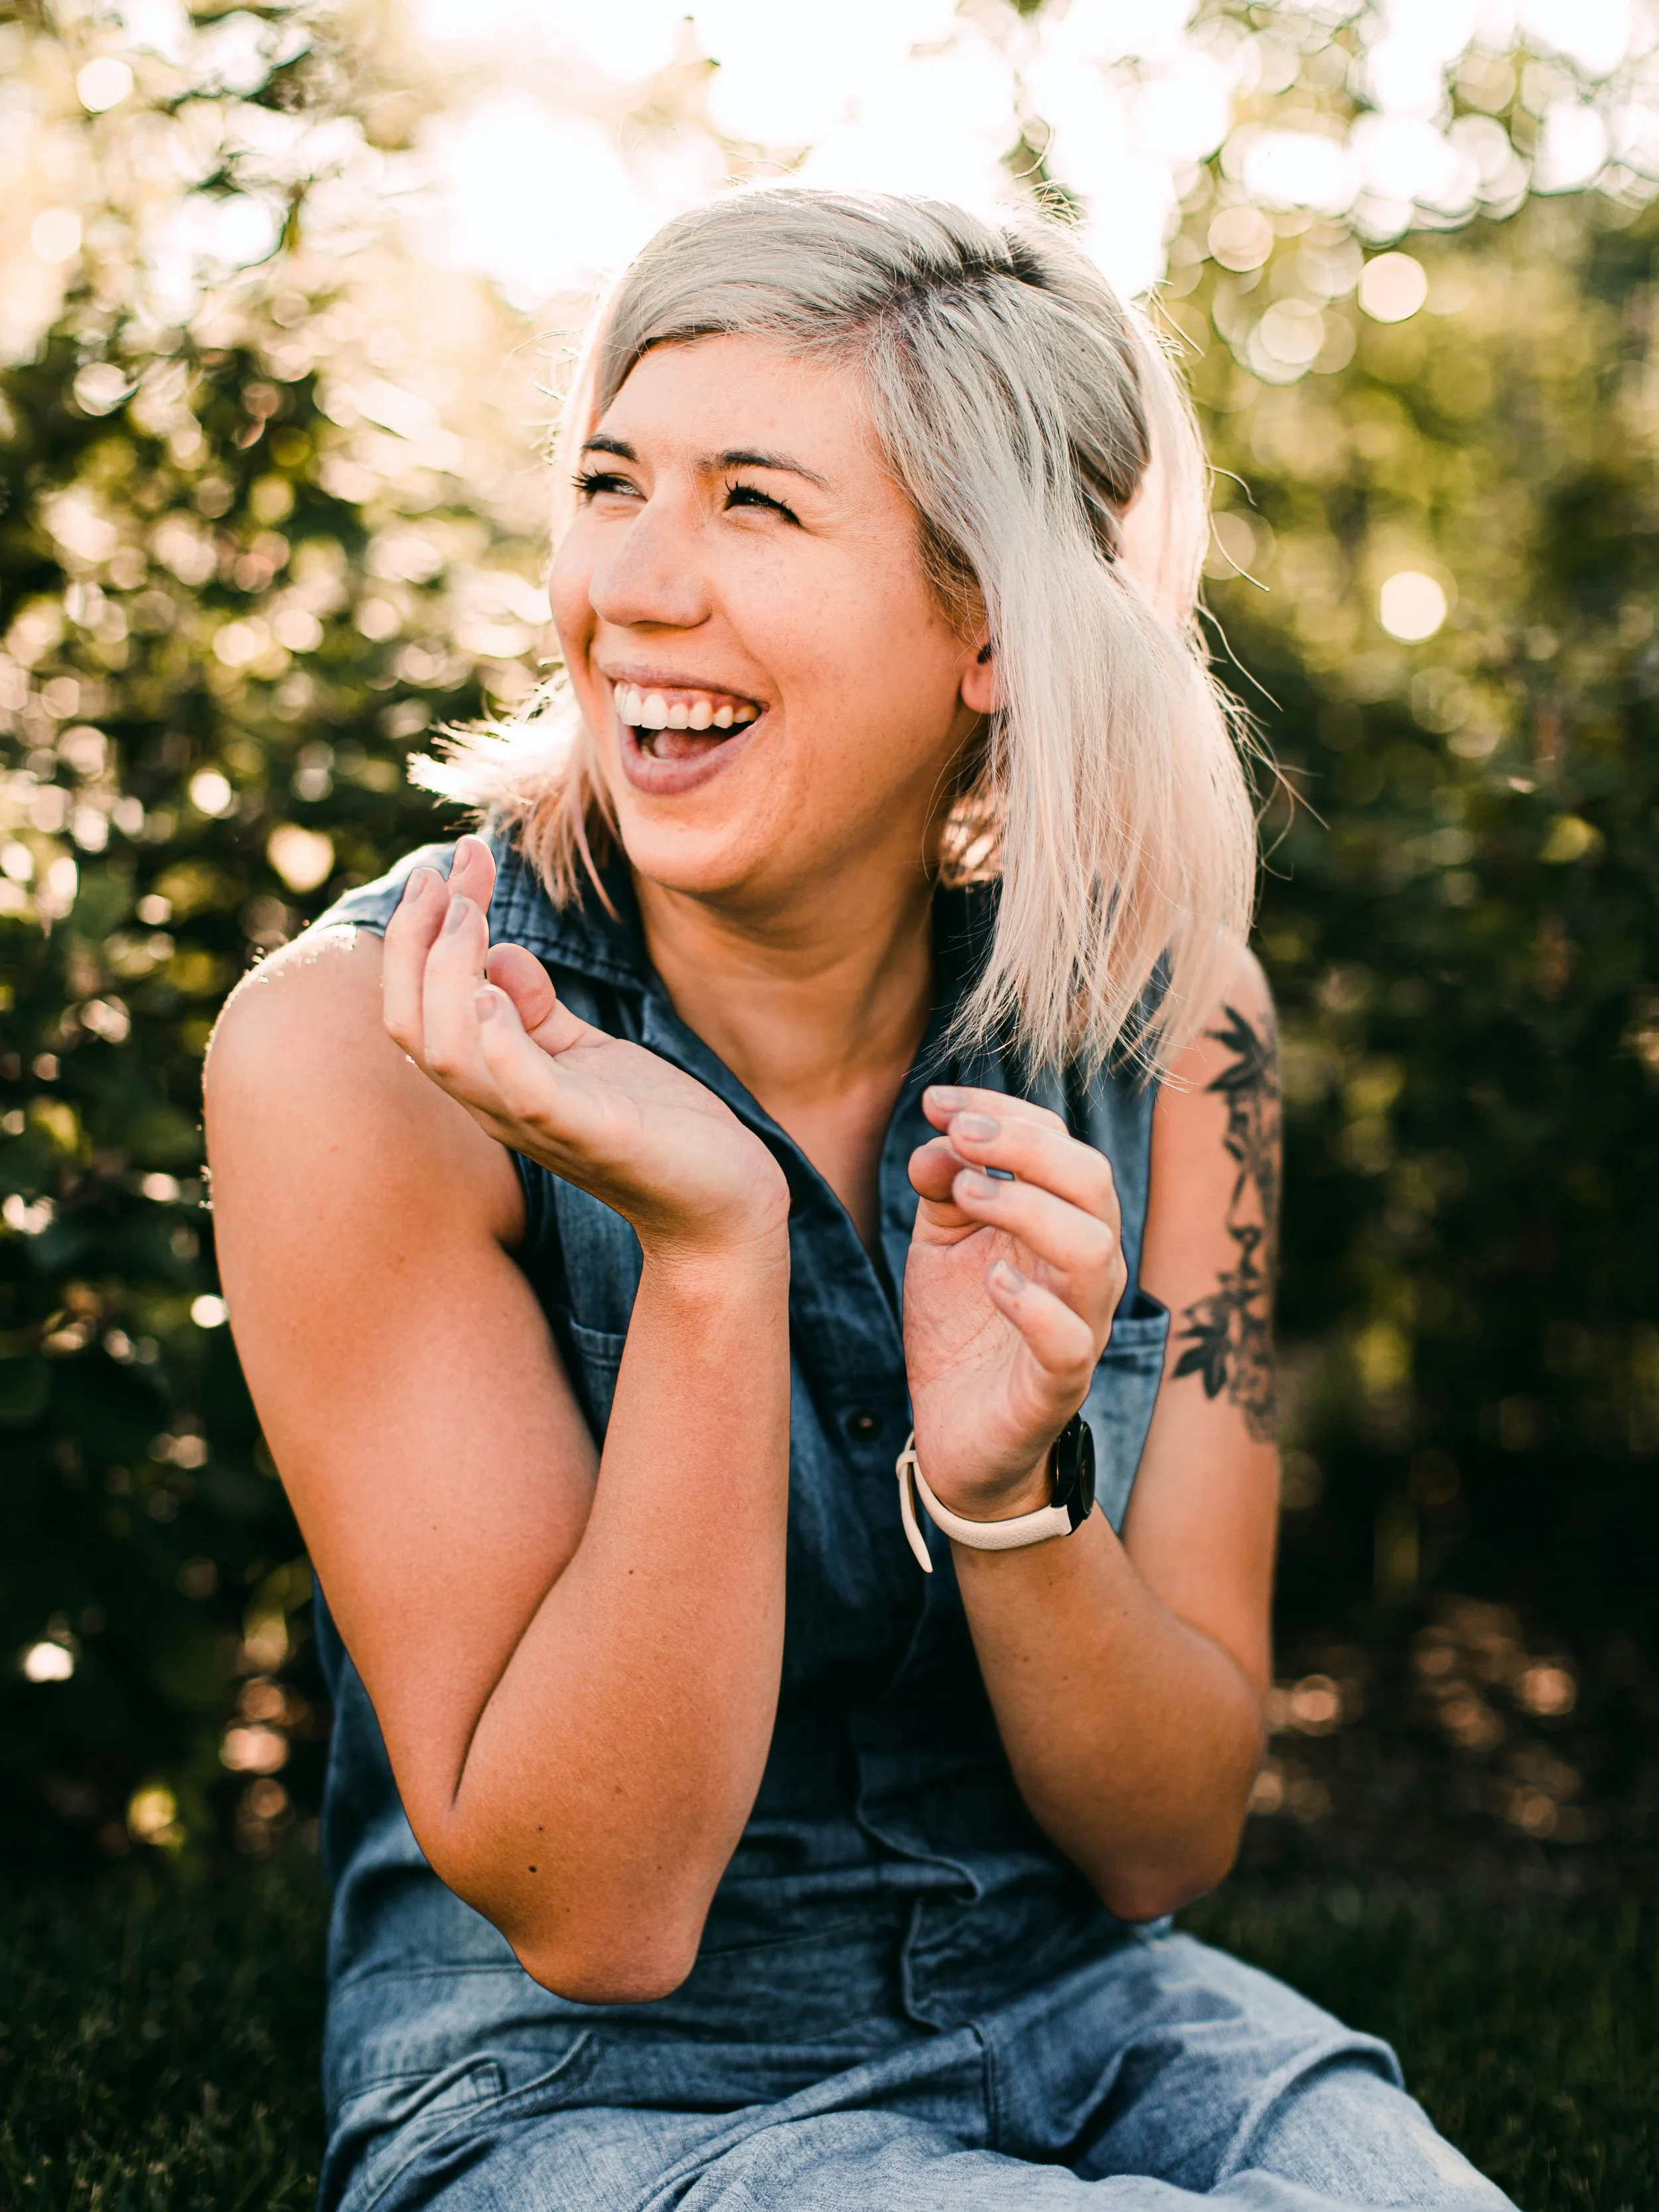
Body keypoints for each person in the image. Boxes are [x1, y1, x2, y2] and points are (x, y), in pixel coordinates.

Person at [205, 190, 1512, 2211]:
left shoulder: (1176, 1035)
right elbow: (597, 1905)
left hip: (1092, 2005)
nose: (632, 585)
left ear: (990, 624)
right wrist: (714, 1257)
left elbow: (1163, 1842)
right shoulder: (363, 1053)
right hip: (587, 2084)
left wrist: (1010, 1495)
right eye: (611, 482)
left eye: (753, 504)